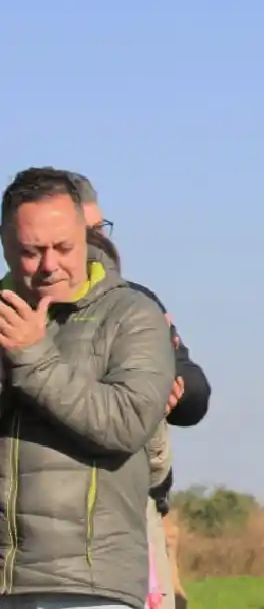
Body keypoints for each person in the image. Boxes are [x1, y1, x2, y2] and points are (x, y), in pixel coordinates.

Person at [0, 167, 176, 608]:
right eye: (31, 251)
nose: (49, 265)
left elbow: (125, 423)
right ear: (5, 245)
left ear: (88, 237)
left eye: (63, 247)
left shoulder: (132, 314)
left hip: (89, 584)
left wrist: (31, 355)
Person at [67, 171, 211, 609]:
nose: (97, 244)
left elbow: (196, 392)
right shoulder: (19, 309)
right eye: (83, 233)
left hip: (134, 503)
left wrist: (171, 391)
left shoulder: (138, 304)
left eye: (100, 229)